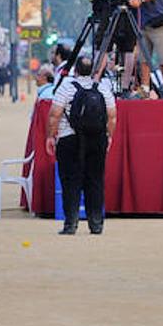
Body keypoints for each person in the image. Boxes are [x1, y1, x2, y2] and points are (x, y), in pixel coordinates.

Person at [45, 56, 117, 235]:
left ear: (75, 70)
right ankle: (96, 224)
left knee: (70, 182)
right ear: (92, 70)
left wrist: (50, 137)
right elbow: (112, 116)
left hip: (70, 139)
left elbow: (54, 115)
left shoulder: (66, 87)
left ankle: (71, 224)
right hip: (97, 139)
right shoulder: (102, 88)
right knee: (95, 181)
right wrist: (109, 137)